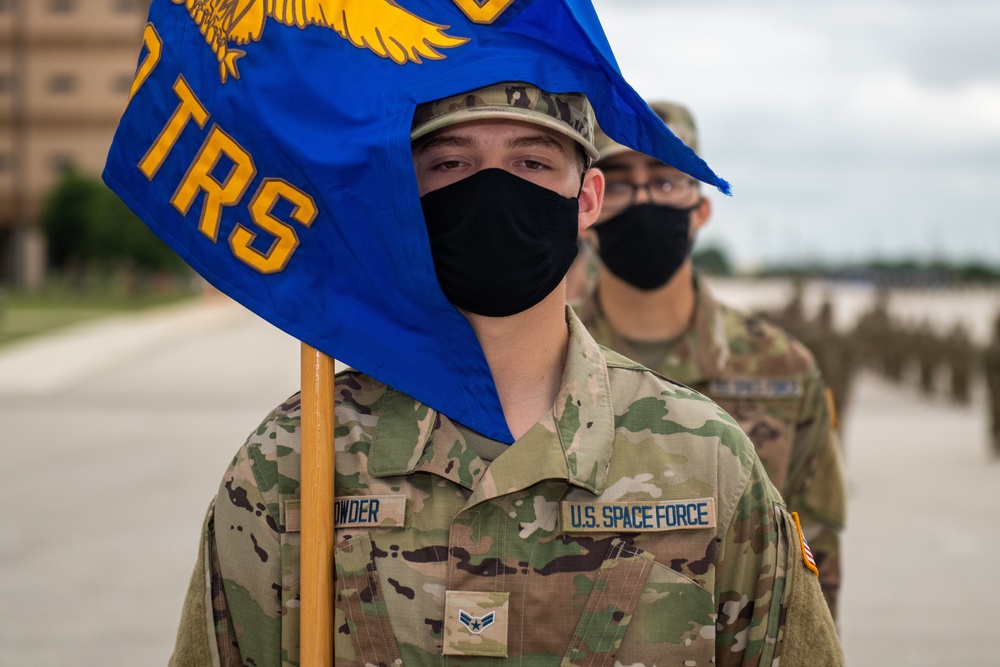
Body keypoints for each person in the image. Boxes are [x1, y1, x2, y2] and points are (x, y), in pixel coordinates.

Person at [169, 83, 842, 666]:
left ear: (586, 200)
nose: (493, 189)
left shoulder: (707, 461)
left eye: (531, 161)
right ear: (408, 194)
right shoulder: (292, 464)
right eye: (452, 162)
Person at [572, 101, 847, 619]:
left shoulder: (784, 370)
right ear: (587, 206)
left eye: (668, 180)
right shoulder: (538, 364)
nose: (645, 200)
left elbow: (815, 577)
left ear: (701, 209)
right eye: (622, 182)